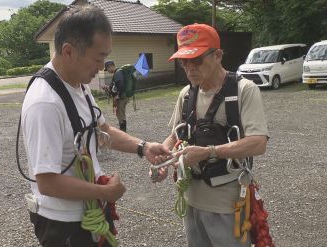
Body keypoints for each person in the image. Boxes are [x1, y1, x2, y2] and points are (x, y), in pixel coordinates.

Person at [20, 5, 169, 247]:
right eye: (98, 57)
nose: (102, 66)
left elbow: (103, 131)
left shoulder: (78, 84)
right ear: (68, 51)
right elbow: (46, 182)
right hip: (63, 224)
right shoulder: (44, 103)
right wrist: (104, 193)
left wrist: (144, 147)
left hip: (88, 212)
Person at [159, 23, 269, 247]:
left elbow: (258, 143)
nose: (189, 68)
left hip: (228, 204)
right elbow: (175, 134)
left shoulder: (244, 90)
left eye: (197, 60)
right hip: (192, 200)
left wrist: (209, 151)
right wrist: (163, 156)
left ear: (218, 55)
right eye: (184, 61)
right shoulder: (187, 93)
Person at [103, 60, 132, 132]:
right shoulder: (117, 73)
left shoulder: (118, 73)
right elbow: (115, 86)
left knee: (120, 113)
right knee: (119, 113)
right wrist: (108, 88)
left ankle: (123, 131)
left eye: (107, 69)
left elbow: (121, 84)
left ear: (110, 66)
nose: (108, 71)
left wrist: (117, 95)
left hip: (121, 97)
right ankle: (122, 130)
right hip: (122, 96)